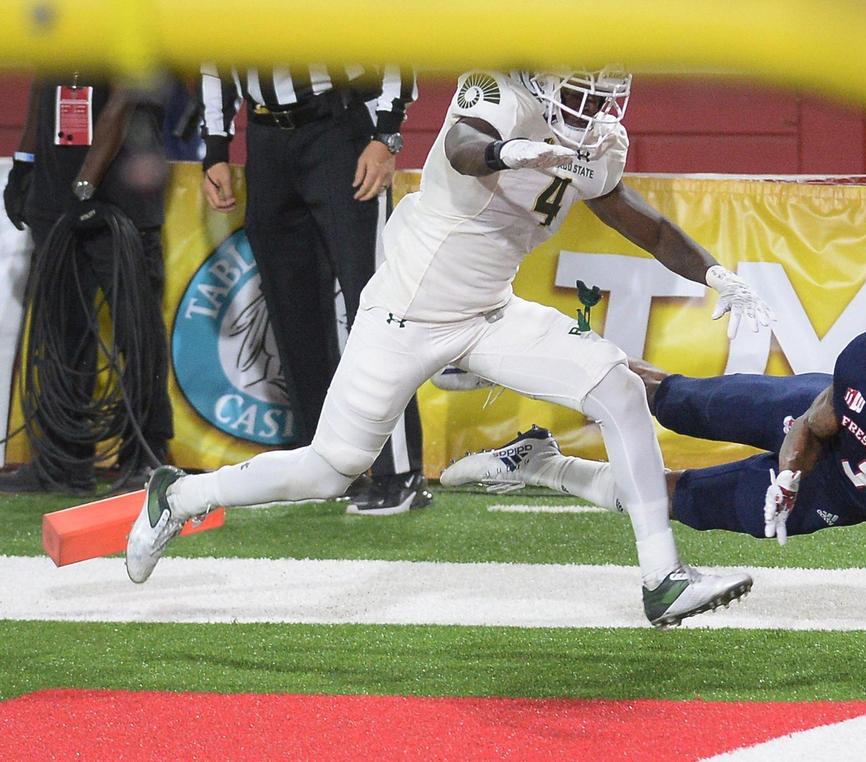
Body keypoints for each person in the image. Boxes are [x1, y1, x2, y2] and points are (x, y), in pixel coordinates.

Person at [127, 68, 774, 628]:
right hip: (407, 313)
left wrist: (715, 272)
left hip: (491, 312)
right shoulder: (494, 89)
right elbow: (468, 148)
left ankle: (663, 578)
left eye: (603, 88)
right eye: (581, 82)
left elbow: (644, 222)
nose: (590, 100)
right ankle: (180, 498)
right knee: (330, 469)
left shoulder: (597, 140)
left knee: (620, 389)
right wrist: (522, 154)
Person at [441, 324, 866, 607]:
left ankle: (542, 465)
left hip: (841, 495)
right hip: (806, 434)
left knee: (682, 500)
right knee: (679, 400)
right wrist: (788, 474)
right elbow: (812, 424)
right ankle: (511, 351)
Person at [199, 62, 427, 514]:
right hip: (265, 138)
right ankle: (324, 468)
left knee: (373, 302)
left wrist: (385, 135)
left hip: (337, 128)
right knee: (290, 309)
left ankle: (398, 472)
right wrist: (216, 148)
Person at [0, 75, 173, 493]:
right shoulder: (57, 22)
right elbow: (42, 94)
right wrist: (23, 165)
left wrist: (85, 185)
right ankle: (62, 463)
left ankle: (146, 457)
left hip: (119, 200)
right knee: (61, 333)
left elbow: (123, 101)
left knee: (137, 332)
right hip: (55, 198)